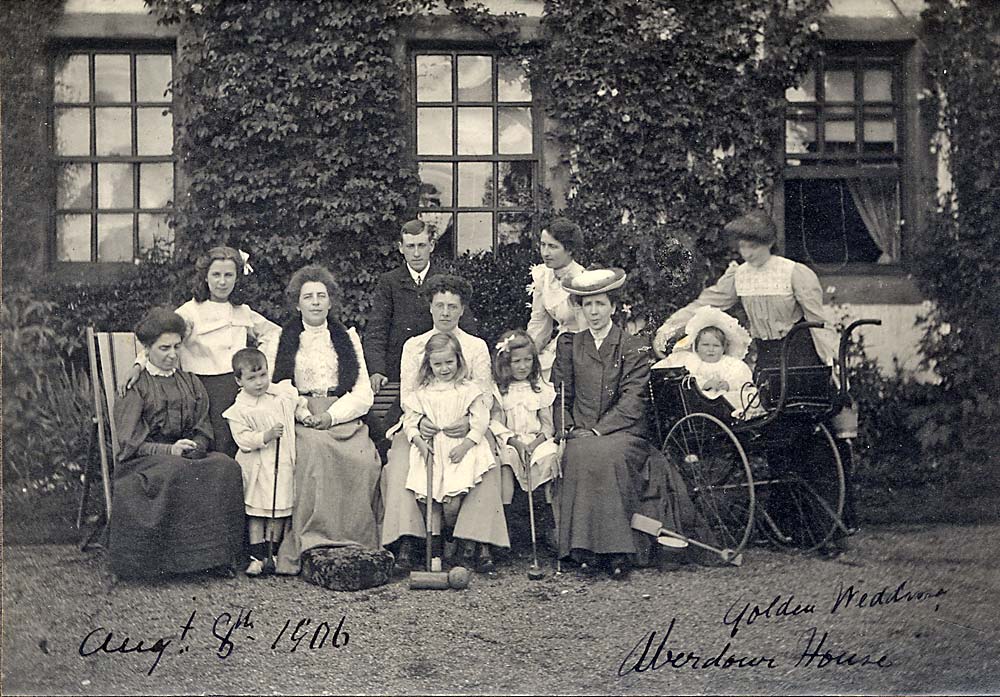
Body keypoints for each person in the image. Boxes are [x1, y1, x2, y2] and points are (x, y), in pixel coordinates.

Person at [552, 267, 698, 579]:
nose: (593, 311)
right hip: (581, 430)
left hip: (624, 432)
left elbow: (634, 400)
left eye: (600, 304)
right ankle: (582, 550)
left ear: (613, 308)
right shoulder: (570, 345)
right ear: (580, 307)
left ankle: (618, 552)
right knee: (578, 454)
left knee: (607, 455)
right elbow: (561, 395)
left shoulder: (630, 346)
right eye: (588, 304)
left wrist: (600, 429)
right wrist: (566, 427)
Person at [380, 273, 508, 572]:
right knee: (400, 460)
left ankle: (473, 541)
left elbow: (484, 393)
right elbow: (408, 394)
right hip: (424, 423)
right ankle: (409, 541)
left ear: (462, 309)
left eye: (453, 306)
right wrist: (421, 421)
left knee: (485, 458)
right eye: (440, 305)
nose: (446, 312)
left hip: (465, 424)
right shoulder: (415, 345)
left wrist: (466, 421)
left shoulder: (474, 346)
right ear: (430, 307)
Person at [109, 307, 245, 579]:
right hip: (144, 460)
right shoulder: (136, 386)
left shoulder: (190, 381)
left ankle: (213, 558)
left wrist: (197, 444)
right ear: (146, 349)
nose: (172, 354)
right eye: (164, 348)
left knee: (226, 466)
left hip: (185, 452)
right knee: (175, 471)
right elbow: (128, 441)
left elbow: (203, 425)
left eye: (176, 347)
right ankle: (166, 563)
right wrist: (168, 450)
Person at [269, 265, 383, 575]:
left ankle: (356, 538)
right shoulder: (283, 337)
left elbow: (362, 392)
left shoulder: (346, 337)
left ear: (331, 301)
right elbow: (278, 385)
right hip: (302, 413)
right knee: (315, 456)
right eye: (309, 297)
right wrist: (304, 413)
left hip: (341, 412)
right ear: (298, 303)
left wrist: (333, 415)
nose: (316, 302)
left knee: (364, 460)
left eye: (322, 296)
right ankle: (314, 539)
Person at [122, 246, 281, 457]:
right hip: (200, 389)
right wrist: (138, 364)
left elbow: (273, 333)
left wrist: (259, 365)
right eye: (216, 275)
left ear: (237, 278)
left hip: (238, 387)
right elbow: (161, 338)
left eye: (228, 275)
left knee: (243, 439)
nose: (222, 282)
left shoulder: (242, 311)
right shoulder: (191, 311)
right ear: (205, 277)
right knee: (214, 443)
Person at [653, 209, 836, 373]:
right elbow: (704, 304)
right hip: (766, 355)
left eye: (753, 247)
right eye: (742, 247)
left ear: (770, 243)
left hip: (800, 354)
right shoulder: (739, 274)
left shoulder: (793, 272)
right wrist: (668, 329)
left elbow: (817, 321)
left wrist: (830, 364)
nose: (747, 254)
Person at [364, 219, 478, 451]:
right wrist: (377, 369)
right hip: (404, 372)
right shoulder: (390, 282)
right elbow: (377, 328)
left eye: (421, 246)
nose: (416, 253)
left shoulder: (445, 280)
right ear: (400, 247)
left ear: (432, 246)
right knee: (390, 435)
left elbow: (466, 327)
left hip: (445, 369)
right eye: (410, 246)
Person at [402, 333, 497, 559]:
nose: (444, 369)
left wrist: (466, 444)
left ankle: (454, 533)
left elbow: (481, 420)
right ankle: (440, 539)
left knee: (451, 503)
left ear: (459, 360)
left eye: (449, 362)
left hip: (459, 449)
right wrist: (418, 442)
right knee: (429, 499)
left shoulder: (468, 389)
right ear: (429, 365)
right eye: (437, 364)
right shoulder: (423, 392)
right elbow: (410, 421)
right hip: (433, 450)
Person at [222, 348, 310, 576]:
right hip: (258, 467)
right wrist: (266, 436)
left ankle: (272, 552)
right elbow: (243, 439)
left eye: (262, 375)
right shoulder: (240, 408)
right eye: (251, 378)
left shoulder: (281, 394)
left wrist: (304, 415)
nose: (259, 383)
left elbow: (298, 403)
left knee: (278, 510)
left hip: (282, 464)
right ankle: (256, 556)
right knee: (257, 511)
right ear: (238, 381)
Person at [489, 329, 560, 507]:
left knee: (549, 454)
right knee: (507, 458)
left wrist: (535, 444)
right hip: (511, 441)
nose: (523, 366)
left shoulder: (540, 388)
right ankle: (507, 511)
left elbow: (547, 425)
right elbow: (496, 423)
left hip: (536, 441)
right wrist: (514, 442)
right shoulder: (499, 391)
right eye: (516, 361)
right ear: (505, 363)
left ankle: (548, 509)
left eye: (527, 360)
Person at [653, 306, 760, 420]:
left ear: (724, 348)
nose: (711, 349)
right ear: (696, 346)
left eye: (716, 346)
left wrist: (729, 384)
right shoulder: (690, 360)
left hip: (725, 401)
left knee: (748, 396)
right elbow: (666, 371)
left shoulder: (731, 363)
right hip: (699, 405)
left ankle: (737, 417)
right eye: (705, 345)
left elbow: (742, 379)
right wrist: (703, 383)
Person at [526, 217, 587, 379]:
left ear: (570, 250)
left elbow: (587, 330)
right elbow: (539, 322)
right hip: (558, 344)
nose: (545, 253)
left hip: (580, 348)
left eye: (553, 247)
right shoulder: (543, 276)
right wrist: (527, 354)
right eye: (543, 245)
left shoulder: (581, 280)